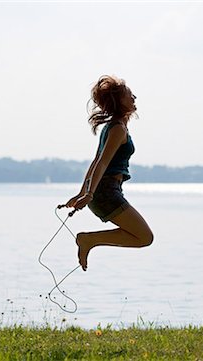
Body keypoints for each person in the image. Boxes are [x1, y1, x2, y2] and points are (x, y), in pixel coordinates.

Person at [62, 75, 153, 271]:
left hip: (103, 192)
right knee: (145, 237)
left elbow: (96, 162)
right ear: (119, 101)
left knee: (143, 237)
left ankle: (89, 240)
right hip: (105, 192)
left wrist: (83, 192)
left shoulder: (113, 127)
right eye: (130, 95)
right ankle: (89, 240)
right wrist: (88, 193)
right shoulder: (117, 129)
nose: (134, 98)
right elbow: (101, 163)